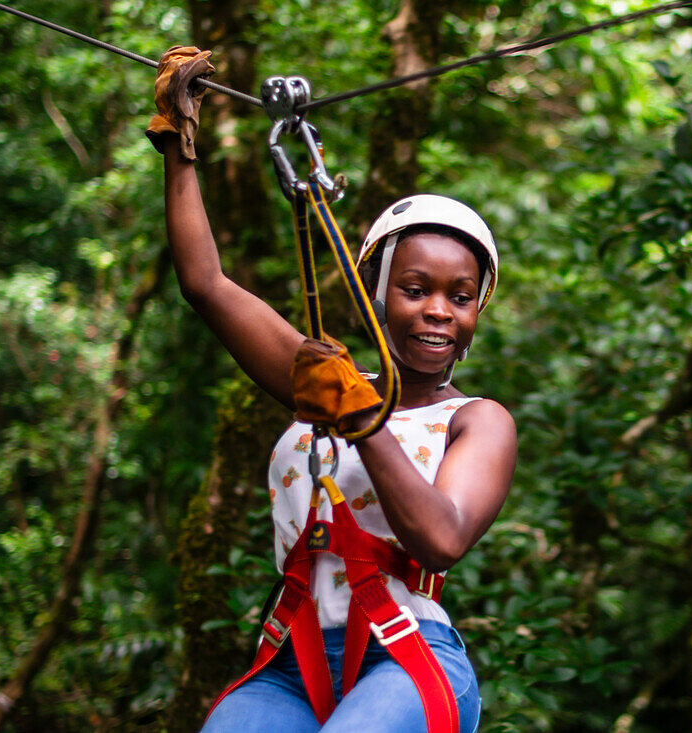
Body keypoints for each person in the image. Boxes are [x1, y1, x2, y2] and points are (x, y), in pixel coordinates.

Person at [148, 47, 517, 732]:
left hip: (407, 658)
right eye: (416, 289)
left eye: (460, 297)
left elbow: (441, 537)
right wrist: (178, 142)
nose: (439, 309)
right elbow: (206, 285)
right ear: (380, 292)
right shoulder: (326, 383)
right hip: (293, 659)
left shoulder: (477, 420)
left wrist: (363, 418)